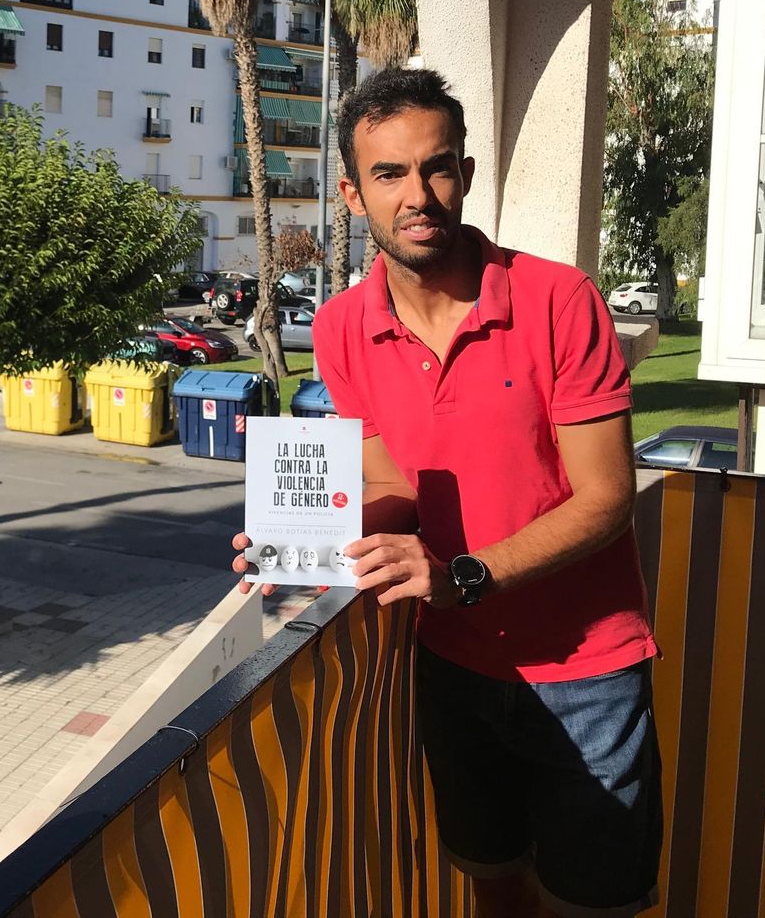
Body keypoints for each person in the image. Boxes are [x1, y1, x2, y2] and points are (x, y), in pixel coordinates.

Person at [233, 68, 661, 918]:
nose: (418, 195)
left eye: (436, 168)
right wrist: (312, 536)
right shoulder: (339, 328)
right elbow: (391, 482)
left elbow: (608, 496)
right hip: (454, 665)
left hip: (589, 671)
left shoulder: (556, 299)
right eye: (390, 175)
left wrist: (464, 575)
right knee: (491, 878)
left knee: (598, 904)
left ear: (464, 174)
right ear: (354, 195)